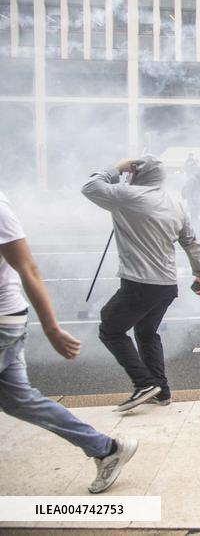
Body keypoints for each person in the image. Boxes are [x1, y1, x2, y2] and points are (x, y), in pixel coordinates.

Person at [0, 191, 138, 494]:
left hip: (2, 320)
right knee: (18, 401)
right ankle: (106, 449)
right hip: (7, 319)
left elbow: (28, 268)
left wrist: (51, 329)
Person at [81, 156, 200, 412]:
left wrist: (117, 167)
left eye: (131, 172)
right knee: (146, 332)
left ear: (136, 173)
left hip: (140, 283)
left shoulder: (127, 195)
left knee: (110, 328)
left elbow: (90, 187)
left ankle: (144, 384)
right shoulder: (175, 202)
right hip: (166, 285)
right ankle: (161, 392)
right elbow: (191, 242)